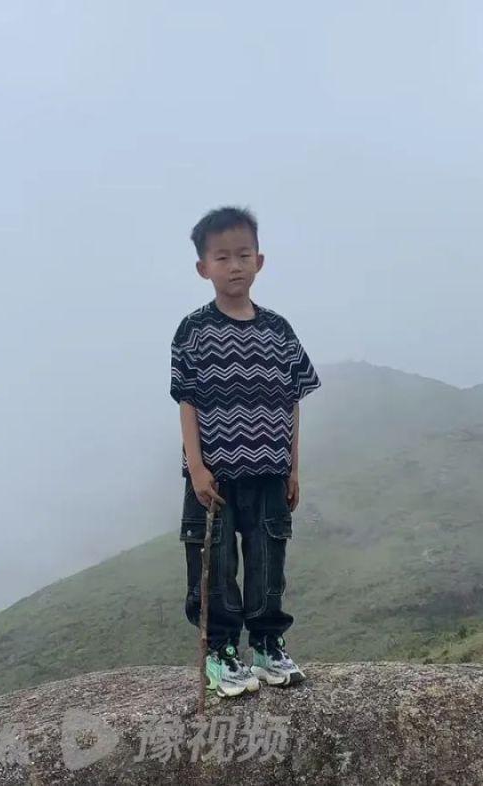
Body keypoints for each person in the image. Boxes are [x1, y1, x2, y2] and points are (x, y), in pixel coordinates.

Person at [170, 205, 321, 698]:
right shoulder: (193, 331)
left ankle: (268, 646)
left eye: (243, 255)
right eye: (222, 257)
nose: (234, 266)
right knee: (213, 565)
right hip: (214, 476)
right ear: (203, 268)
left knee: (266, 562)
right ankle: (220, 653)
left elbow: (292, 401)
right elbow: (187, 401)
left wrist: (293, 469)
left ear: (260, 260)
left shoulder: (279, 331)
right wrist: (196, 468)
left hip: (270, 471)